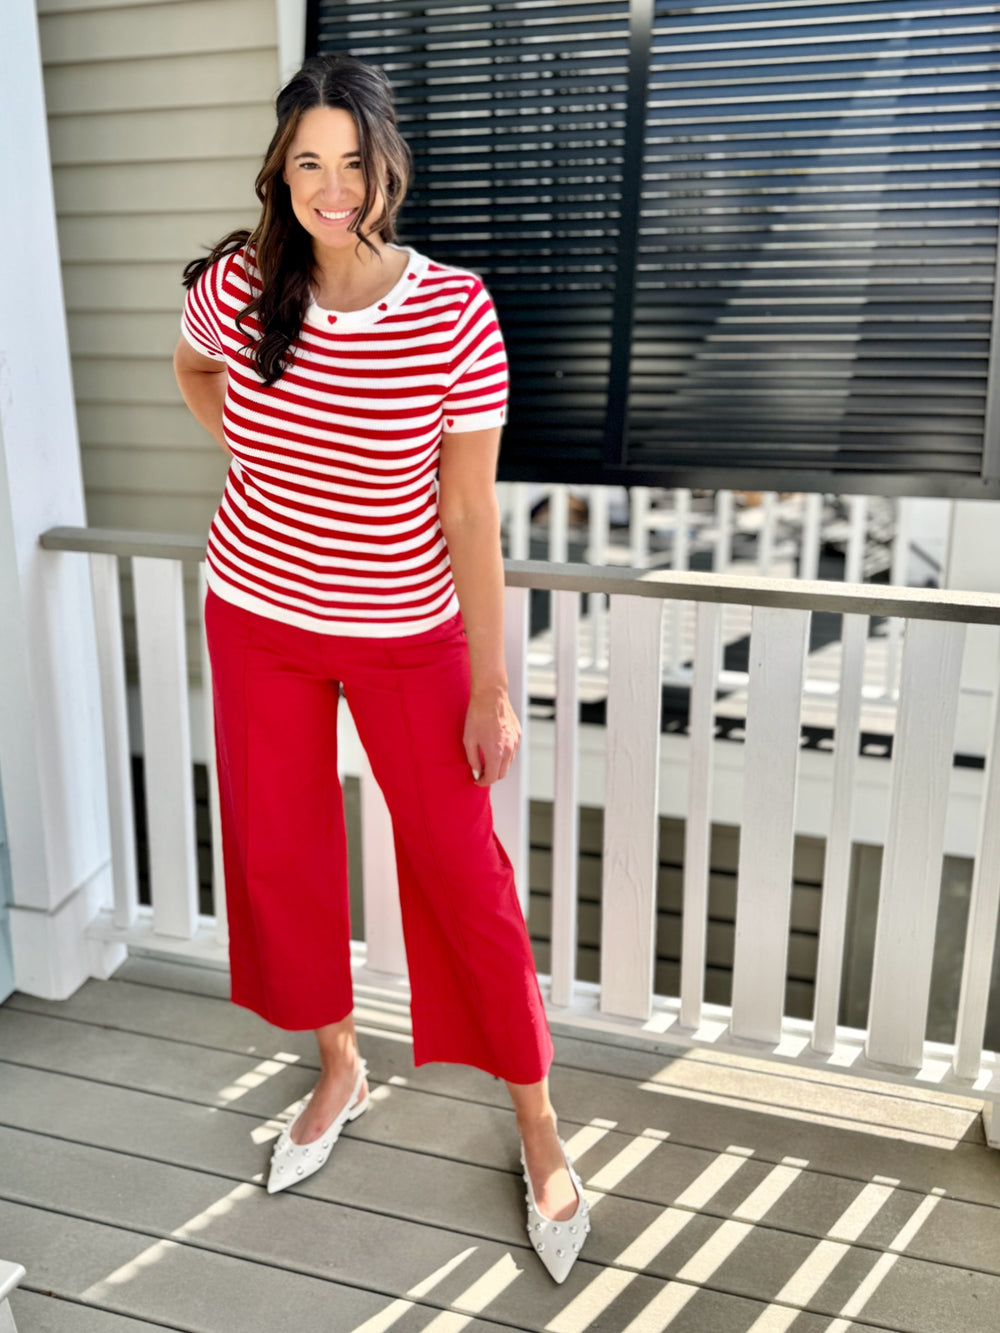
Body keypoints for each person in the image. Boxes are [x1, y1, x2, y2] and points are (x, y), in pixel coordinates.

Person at [173, 52, 589, 1283]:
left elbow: (470, 511)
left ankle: (538, 1124)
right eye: (308, 162)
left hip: (409, 631)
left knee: (463, 869)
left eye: (352, 161)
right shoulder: (237, 288)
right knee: (283, 848)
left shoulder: (455, 308)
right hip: (254, 614)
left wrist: (491, 680)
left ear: (386, 165)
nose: (331, 185)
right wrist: (252, 454)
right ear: (281, 173)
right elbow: (196, 372)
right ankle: (339, 1064)